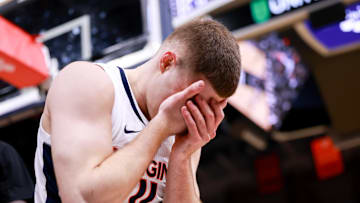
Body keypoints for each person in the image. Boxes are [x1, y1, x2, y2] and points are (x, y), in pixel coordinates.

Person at [34, 19, 241, 203]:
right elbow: (83, 197)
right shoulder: (88, 82)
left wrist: (182, 156)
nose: (193, 113)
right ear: (167, 62)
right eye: (192, 98)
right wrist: (160, 126)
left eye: (209, 107)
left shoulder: (185, 134)